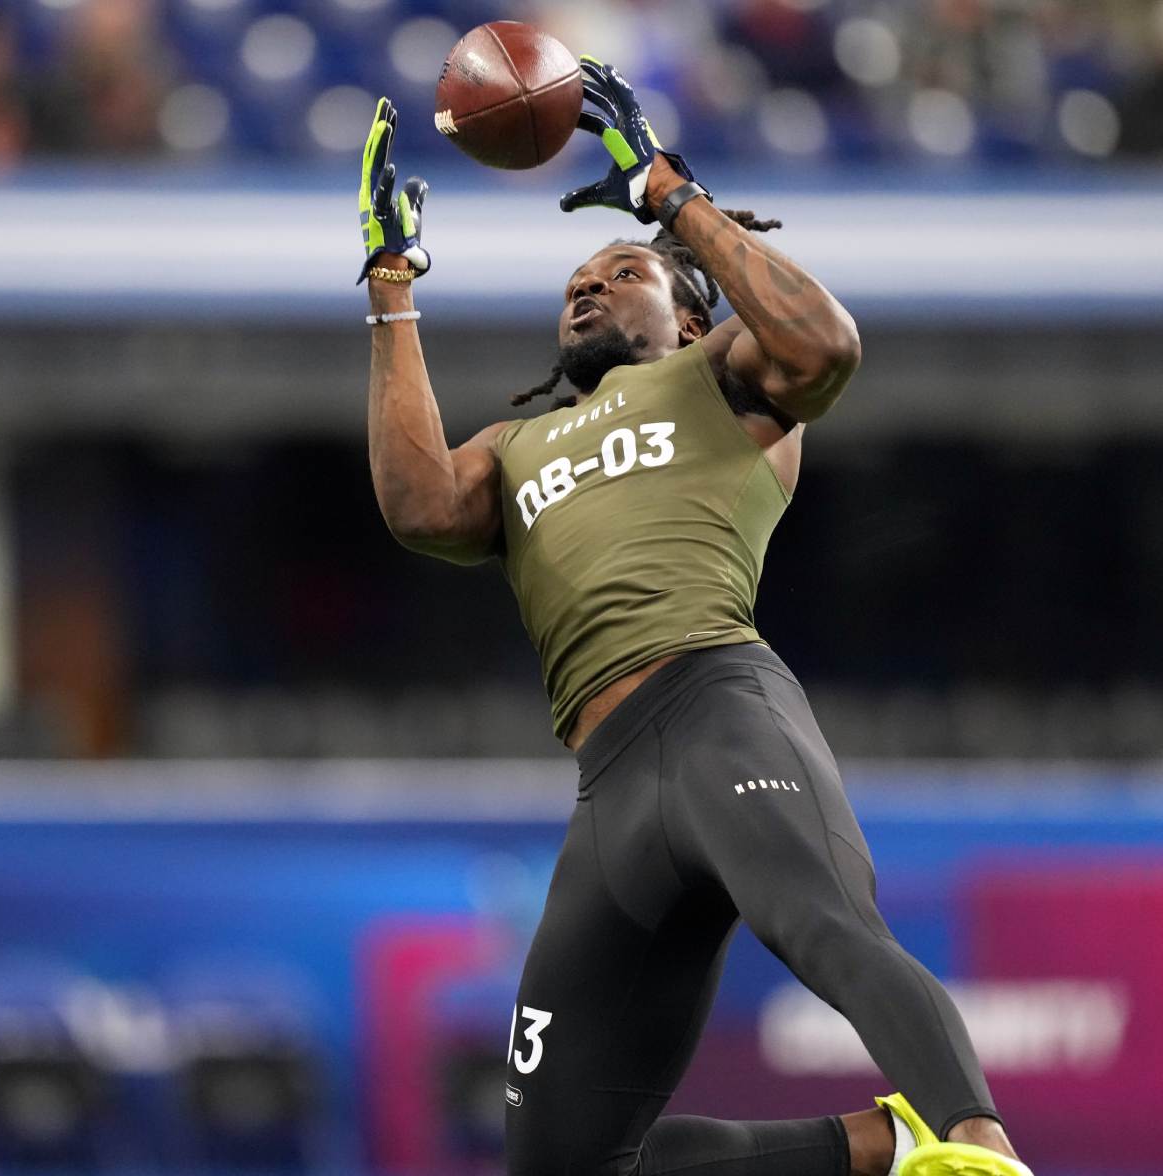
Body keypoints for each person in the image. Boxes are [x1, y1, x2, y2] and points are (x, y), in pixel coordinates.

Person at [358, 57, 1033, 1176]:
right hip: (609, 785)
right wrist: (390, 282)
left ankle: (976, 1145)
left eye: (619, 273)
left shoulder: (723, 375)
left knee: (823, 929)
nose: (586, 287)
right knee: (561, 1166)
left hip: (717, 703)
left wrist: (667, 196)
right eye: (575, 280)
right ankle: (879, 1145)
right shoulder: (515, 447)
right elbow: (416, 504)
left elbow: (825, 344)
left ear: (687, 314)